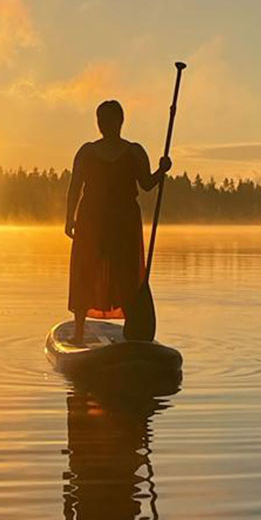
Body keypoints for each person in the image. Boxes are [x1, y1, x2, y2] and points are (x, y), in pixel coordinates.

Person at [65, 100, 171, 346]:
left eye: (110, 119)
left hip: (124, 221)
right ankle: (79, 333)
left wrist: (161, 170)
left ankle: (132, 331)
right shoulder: (87, 151)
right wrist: (69, 217)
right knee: (85, 271)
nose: (105, 125)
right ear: (97, 122)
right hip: (92, 219)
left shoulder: (134, 151)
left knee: (126, 273)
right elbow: (74, 187)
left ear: (120, 121)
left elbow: (145, 184)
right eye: (101, 120)